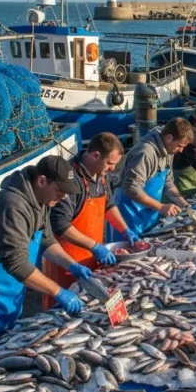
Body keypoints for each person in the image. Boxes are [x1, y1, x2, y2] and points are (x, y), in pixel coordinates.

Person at [0, 155, 88, 372]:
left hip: (8, 289)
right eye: (60, 191)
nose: (62, 198)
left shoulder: (42, 200)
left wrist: (71, 264)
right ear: (42, 181)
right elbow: (16, 264)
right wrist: (58, 292)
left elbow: (45, 239)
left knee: (3, 352)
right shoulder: (12, 206)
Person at [45, 133, 134, 310]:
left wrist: (125, 230)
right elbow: (60, 225)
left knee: (90, 306)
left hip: (91, 260)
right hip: (66, 262)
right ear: (95, 156)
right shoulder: (70, 179)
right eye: (110, 163)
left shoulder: (101, 175)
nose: (114, 168)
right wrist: (95, 246)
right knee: (62, 309)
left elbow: (108, 205)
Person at [111, 118, 194, 238]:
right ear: (169, 137)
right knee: (124, 252)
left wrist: (187, 207)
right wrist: (161, 206)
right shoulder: (145, 153)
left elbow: (168, 183)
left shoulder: (169, 151)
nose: (181, 150)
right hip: (127, 214)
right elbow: (131, 189)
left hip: (148, 212)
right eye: (180, 146)